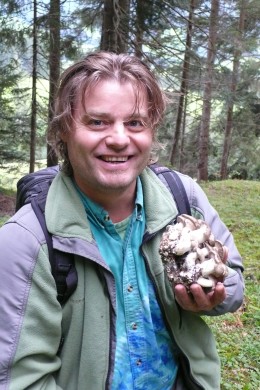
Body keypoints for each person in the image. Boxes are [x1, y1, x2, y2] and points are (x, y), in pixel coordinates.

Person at [0, 51, 244, 390]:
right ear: (64, 131)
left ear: (151, 131)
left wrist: (217, 294)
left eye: (134, 123)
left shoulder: (182, 199)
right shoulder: (27, 241)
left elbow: (234, 287)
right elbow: (21, 379)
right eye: (97, 122)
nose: (118, 139)